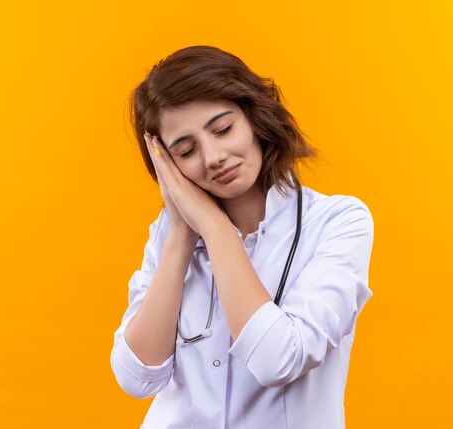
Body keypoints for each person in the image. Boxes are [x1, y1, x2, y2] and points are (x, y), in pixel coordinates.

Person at [110, 45, 374, 429]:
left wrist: (215, 229)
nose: (213, 156)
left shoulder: (338, 221)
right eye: (186, 150)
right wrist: (183, 235)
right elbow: (136, 377)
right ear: (166, 163)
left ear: (255, 117)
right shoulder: (171, 234)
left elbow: (278, 359)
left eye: (223, 129)